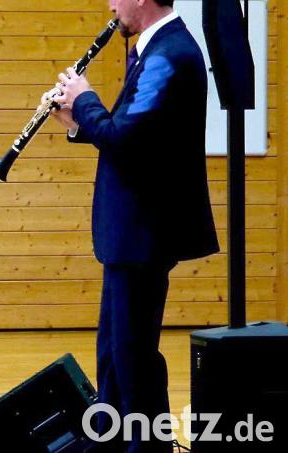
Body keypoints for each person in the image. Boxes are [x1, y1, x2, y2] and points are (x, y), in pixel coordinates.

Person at [48, 1, 219, 451]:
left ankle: (146, 447)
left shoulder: (170, 54)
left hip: (144, 233)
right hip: (130, 234)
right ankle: (116, 443)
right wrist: (75, 123)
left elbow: (125, 138)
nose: (111, 6)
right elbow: (137, 137)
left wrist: (84, 98)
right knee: (115, 355)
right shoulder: (154, 50)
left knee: (133, 357)